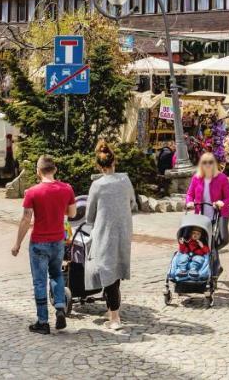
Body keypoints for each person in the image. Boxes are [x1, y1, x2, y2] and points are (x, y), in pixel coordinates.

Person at [11, 155, 77, 334]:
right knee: (56, 275)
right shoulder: (67, 189)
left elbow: (26, 219)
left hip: (39, 242)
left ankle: (43, 321)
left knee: (40, 281)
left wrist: (17, 243)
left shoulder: (32, 192)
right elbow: (72, 213)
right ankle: (60, 307)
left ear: (38, 171)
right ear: (55, 170)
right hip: (58, 241)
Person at [85, 140, 134, 332]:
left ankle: (115, 317)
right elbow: (132, 202)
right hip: (123, 230)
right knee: (115, 270)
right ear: (115, 162)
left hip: (105, 231)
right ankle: (112, 311)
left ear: (98, 165)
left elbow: (90, 215)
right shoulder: (125, 180)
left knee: (107, 270)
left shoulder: (97, 185)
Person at [185, 151, 229, 248]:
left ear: (214, 163)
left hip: (220, 213)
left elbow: (228, 197)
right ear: (201, 164)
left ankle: (211, 251)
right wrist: (189, 202)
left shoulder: (222, 178)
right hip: (202, 213)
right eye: (204, 162)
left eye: (210, 162)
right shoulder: (196, 178)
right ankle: (211, 258)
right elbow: (190, 194)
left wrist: (222, 203)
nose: (207, 164)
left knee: (223, 239)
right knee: (204, 239)